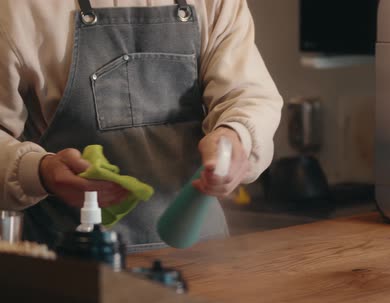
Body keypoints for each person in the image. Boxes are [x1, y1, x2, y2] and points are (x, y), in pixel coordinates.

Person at [0, 0, 282, 250]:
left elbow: (248, 96)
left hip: (201, 257)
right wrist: (39, 171)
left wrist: (235, 135)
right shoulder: (16, 9)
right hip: (72, 263)